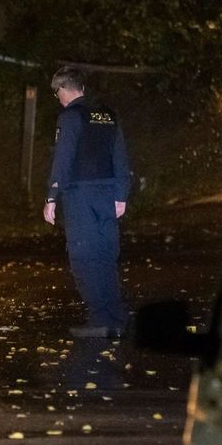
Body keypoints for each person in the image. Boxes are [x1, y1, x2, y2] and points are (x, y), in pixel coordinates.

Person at [42, 65, 132, 338]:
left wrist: (51, 197)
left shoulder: (70, 116)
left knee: (83, 257)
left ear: (63, 90)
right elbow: (120, 156)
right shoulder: (107, 115)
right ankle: (115, 318)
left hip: (80, 195)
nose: (57, 99)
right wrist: (121, 194)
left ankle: (99, 320)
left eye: (57, 93)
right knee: (105, 254)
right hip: (107, 194)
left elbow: (63, 158)